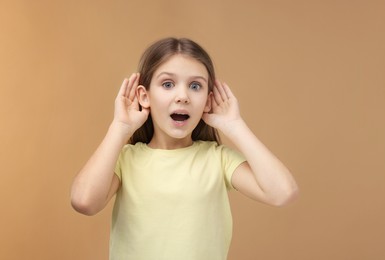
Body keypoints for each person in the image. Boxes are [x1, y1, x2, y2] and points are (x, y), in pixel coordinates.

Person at [71, 37, 298, 260]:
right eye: (168, 84)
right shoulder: (126, 160)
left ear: (208, 101)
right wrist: (119, 127)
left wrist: (235, 126)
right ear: (144, 95)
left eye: (195, 86)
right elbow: (84, 201)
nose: (183, 96)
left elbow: (282, 192)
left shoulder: (218, 160)